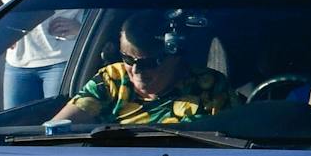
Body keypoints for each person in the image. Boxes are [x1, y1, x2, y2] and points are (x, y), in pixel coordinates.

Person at [50, 12, 232, 125]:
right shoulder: (112, 79)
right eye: (127, 59)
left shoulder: (209, 87)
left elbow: (228, 146)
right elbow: (56, 128)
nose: (136, 70)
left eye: (149, 63)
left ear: (174, 57)